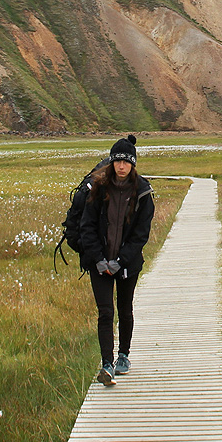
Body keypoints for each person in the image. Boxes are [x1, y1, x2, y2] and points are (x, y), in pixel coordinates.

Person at [79, 135, 155, 386]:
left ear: (133, 164)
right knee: (105, 312)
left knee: (124, 308)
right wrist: (99, 260)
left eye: (126, 162)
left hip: (127, 265)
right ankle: (107, 364)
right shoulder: (98, 188)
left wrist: (121, 261)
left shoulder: (143, 192)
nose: (121, 166)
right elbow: (87, 227)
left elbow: (140, 235)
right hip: (99, 263)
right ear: (111, 163)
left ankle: (123, 355)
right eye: (117, 161)